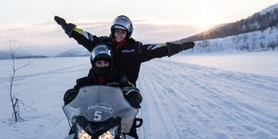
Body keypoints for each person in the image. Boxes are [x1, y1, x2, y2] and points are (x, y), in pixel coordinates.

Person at [55, 15, 195, 86]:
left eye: (123, 32)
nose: (119, 34)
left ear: (128, 33)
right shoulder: (102, 43)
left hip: (125, 93)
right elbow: (86, 38)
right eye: (117, 31)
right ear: (113, 31)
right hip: (100, 90)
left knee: (129, 131)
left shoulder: (135, 48)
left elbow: (155, 49)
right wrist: (70, 28)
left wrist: (176, 47)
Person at [63, 44, 142, 139]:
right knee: (73, 138)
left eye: (105, 63)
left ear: (110, 63)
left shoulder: (119, 79)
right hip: (88, 120)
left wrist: (133, 96)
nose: (102, 65)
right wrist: (70, 96)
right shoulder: (85, 81)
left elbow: (130, 88)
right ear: (93, 63)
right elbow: (74, 91)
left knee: (130, 138)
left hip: (115, 119)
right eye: (99, 63)